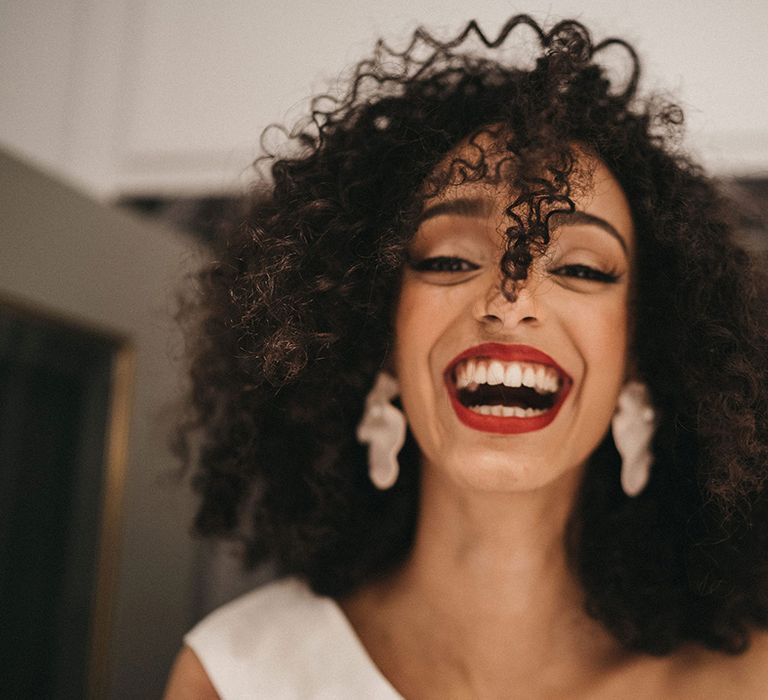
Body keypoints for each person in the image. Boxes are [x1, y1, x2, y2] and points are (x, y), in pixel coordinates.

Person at [164, 14, 768, 699]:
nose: (510, 300)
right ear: (380, 335)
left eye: (583, 269)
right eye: (450, 257)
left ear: (640, 356)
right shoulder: (238, 674)